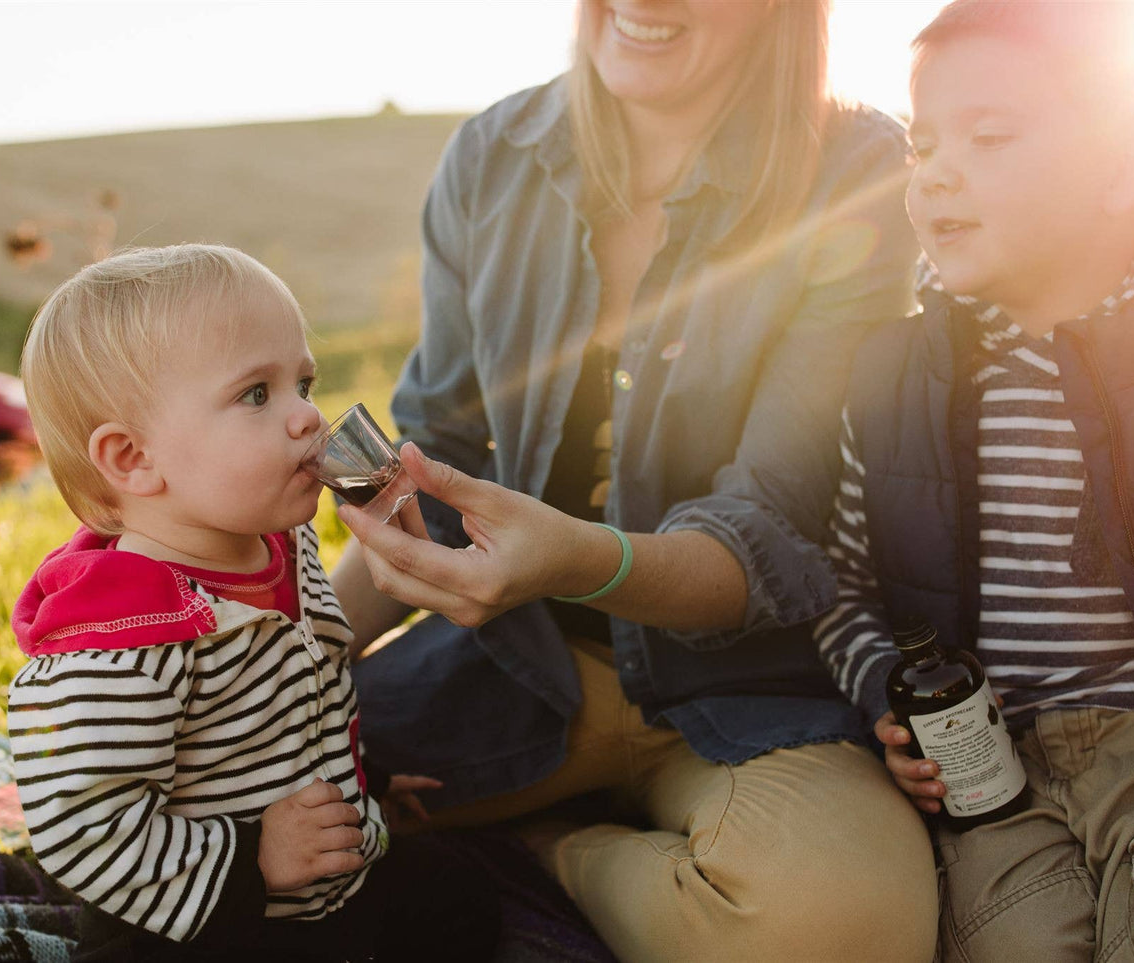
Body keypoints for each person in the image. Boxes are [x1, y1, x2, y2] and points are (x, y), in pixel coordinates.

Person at [329, 2, 937, 959]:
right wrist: (285, 661)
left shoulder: (857, 171)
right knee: (217, 799)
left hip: (740, 692)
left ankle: (548, 851)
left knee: (840, 924)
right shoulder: (493, 156)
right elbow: (430, 453)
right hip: (502, 667)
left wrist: (572, 560)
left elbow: (768, 527)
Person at [812, 2, 1134, 960]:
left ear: (1124, 167)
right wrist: (883, 700)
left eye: (985, 138)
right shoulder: (892, 377)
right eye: (921, 143)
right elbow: (841, 586)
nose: (933, 171)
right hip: (994, 779)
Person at [6, 244, 499, 962]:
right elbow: (81, 828)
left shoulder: (280, 550)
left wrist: (369, 781)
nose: (306, 416)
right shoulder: (124, 635)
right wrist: (253, 857)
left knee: (462, 899)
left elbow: (306, 697)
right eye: (257, 395)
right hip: (202, 916)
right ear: (133, 459)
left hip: (320, 882)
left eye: (304, 381)